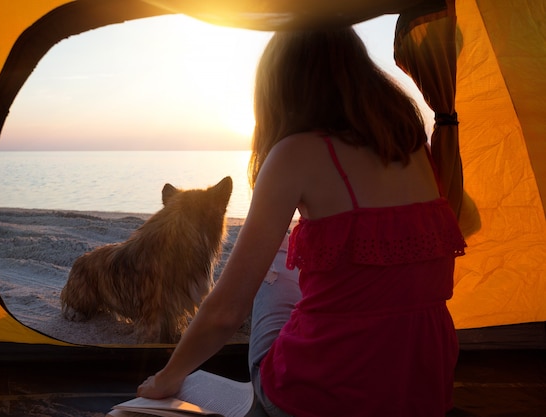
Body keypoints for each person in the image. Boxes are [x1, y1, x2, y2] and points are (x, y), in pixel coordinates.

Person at [137, 27, 466, 417]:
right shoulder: (413, 145)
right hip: (418, 390)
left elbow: (227, 311)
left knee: (275, 262)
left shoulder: (294, 153)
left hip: (321, 392)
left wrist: (168, 377)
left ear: (283, 89)